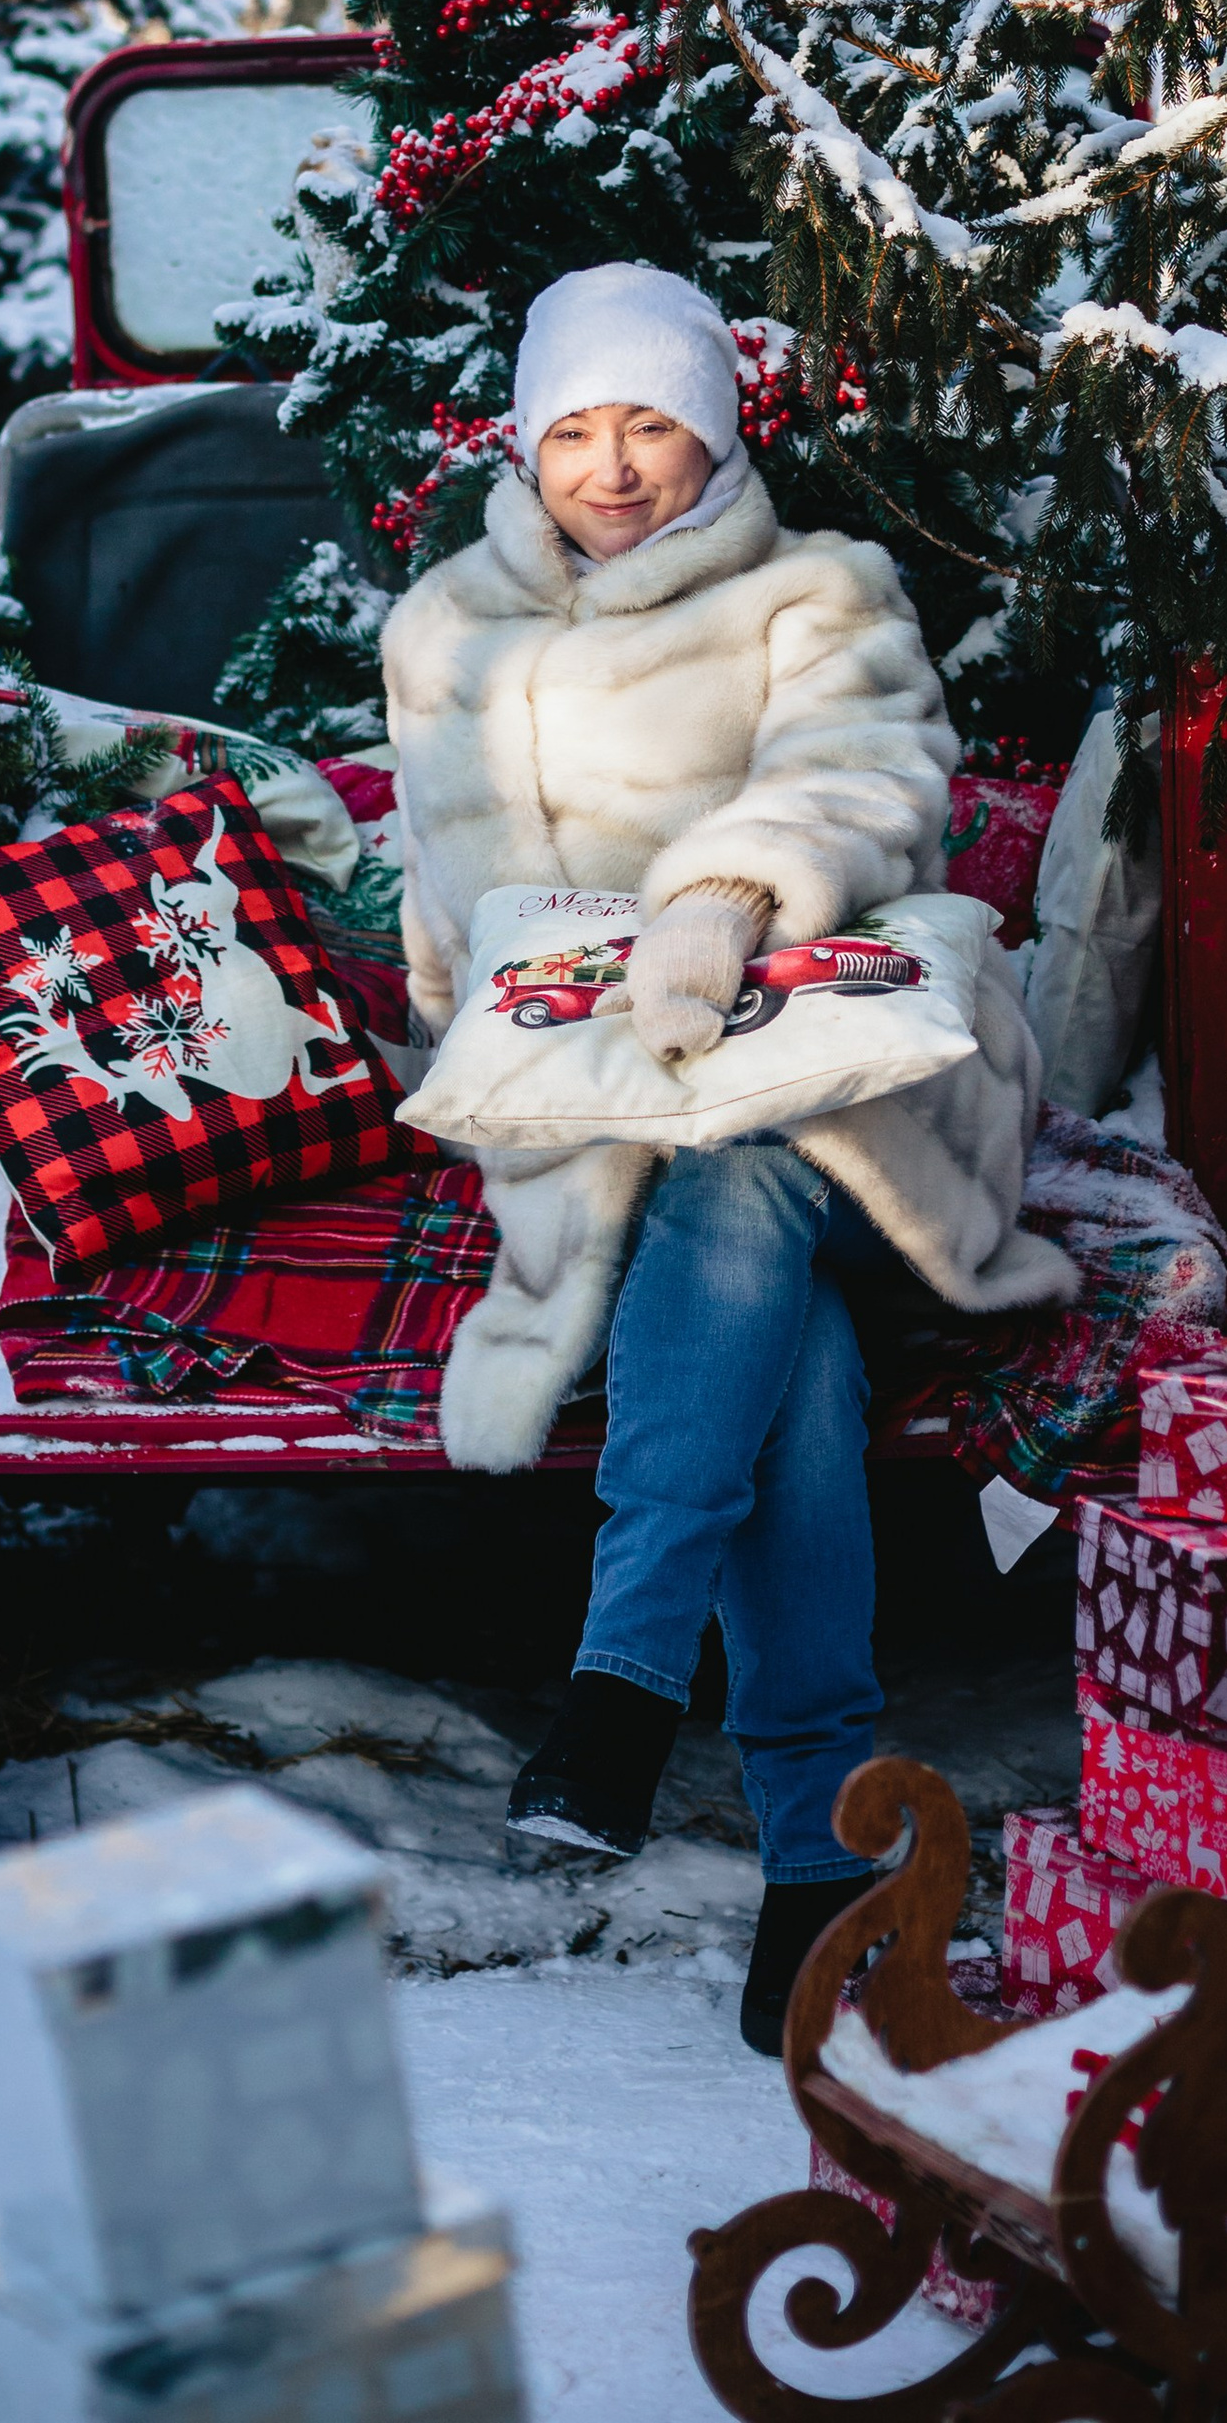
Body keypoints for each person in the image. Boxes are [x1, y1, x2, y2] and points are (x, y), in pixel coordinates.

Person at [380, 262, 1076, 2051]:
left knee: (754, 1168)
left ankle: (622, 1675)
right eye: (578, 428)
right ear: (528, 439)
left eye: (653, 424)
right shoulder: (446, 627)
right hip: (606, 1108)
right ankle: (814, 1868)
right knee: (792, 1362)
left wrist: (723, 894)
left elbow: (872, 778)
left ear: (716, 425)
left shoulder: (816, 592)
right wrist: (498, 1031)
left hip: (848, 1099)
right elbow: (447, 906)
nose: (614, 465)